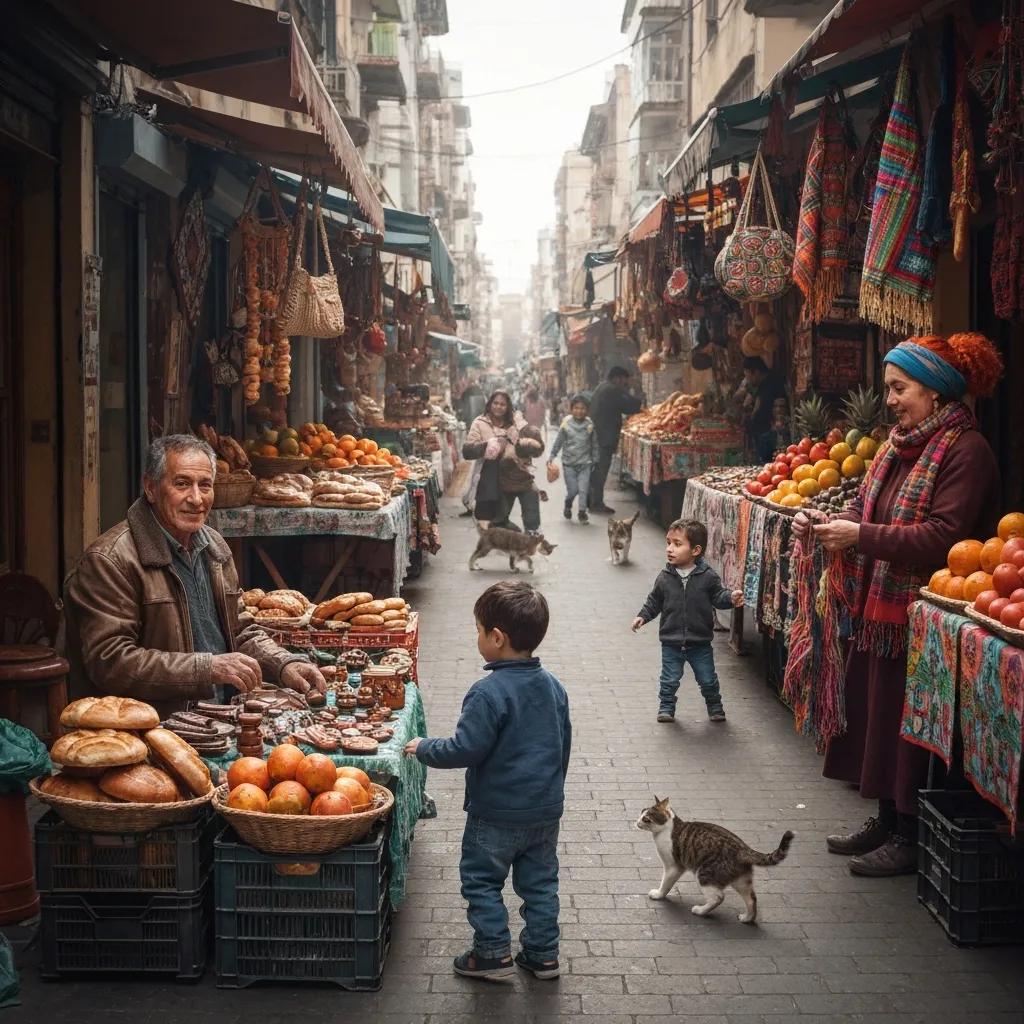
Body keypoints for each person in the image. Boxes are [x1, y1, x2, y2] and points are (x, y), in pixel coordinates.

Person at [792, 333, 1002, 877]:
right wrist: (816, 520)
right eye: (888, 388)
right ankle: (888, 817)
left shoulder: (965, 450)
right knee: (882, 716)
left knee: (913, 724)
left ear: (935, 392)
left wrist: (859, 536)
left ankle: (911, 831)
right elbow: (866, 506)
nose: (890, 399)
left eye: (899, 388)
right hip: (882, 609)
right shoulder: (895, 445)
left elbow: (941, 535)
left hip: (927, 614)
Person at [65, 435, 325, 718]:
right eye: (181, 484)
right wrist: (208, 668)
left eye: (205, 485)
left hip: (219, 716)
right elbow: (110, 662)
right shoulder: (110, 560)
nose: (196, 499)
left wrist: (284, 664)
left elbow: (238, 630)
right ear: (151, 488)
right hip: (151, 726)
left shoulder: (213, 546)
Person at [404, 581, 571, 981]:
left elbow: (466, 749)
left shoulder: (488, 692)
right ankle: (543, 955)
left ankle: (493, 955)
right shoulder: (553, 687)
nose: (476, 637)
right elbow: (562, 745)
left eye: (478, 630)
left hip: (495, 814)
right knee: (541, 885)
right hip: (544, 813)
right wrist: (550, 791)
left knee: (480, 882)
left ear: (497, 638)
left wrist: (424, 747)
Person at [631, 519, 743, 723]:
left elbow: (718, 597)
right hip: (671, 641)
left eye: (677, 544)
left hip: (699, 642)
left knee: (708, 679)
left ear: (695, 550)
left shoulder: (707, 576)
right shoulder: (664, 577)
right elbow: (654, 601)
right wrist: (642, 616)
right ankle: (666, 707)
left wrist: (731, 598)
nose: (670, 549)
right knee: (669, 679)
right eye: (668, 543)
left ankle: (715, 706)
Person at [463, 391, 544, 533]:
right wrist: (490, 445)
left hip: (517, 473)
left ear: (508, 407)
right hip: (491, 475)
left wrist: (531, 437)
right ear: (489, 404)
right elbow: (468, 451)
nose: (498, 407)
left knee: (531, 495)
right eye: (495, 403)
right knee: (493, 517)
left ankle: (532, 532)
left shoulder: (514, 421)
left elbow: (530, 441)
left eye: (502, 404)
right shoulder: (480, 423)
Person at [588, 367, 642, 514]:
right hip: (604, 437)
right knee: (600, 470)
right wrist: (641, 400)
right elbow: (629, 405)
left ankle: (592, 501)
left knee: (596, 470)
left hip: (598, 435)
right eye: (625, 380)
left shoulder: (602, 387)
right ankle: (596, 503)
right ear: (618, 378)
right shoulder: (611, 390)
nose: (626, 384)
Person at [547, 394, 597, 524]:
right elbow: (559, 441)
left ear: (587, 410)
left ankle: (582, 512)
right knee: (573, 490)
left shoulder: (590, 425)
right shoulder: (566, 424)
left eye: (582, 408)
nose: (579, 411)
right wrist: (552, 455)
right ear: (571, 409)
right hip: (569, 464)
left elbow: (594, 443)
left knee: (583, 489)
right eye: (576, 408)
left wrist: (595, 459)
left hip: (585, 464)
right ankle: (568, 503)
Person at [740, 356, 787, 463]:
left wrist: (749, 422)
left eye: (748, 375)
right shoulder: (765, 385)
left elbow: (762, 413)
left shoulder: (769, 386)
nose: (747, 379)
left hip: (770, 437)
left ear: (756, 372)